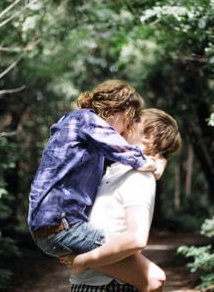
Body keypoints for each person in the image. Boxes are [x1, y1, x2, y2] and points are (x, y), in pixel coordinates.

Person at [28, 80, 166, 259]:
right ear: (117, 111)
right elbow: (131, 155)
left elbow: (118, 159)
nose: (126, 129)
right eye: (129, 121)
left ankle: (81, 263)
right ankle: (82, 265)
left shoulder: (80, 129)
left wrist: (160, 155)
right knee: (130, 249)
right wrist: (158, 163)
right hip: (61, 226)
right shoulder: (86, 120)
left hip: (50, 229)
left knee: (125, 254)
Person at [65, 108, 182, 292]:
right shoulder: (119, 170)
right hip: (91, 283)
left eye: (135, 119)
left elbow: (136, 238)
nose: (126, 121)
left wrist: (82, 260)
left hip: (109, 286)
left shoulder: (138, 177)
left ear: (148, 136)